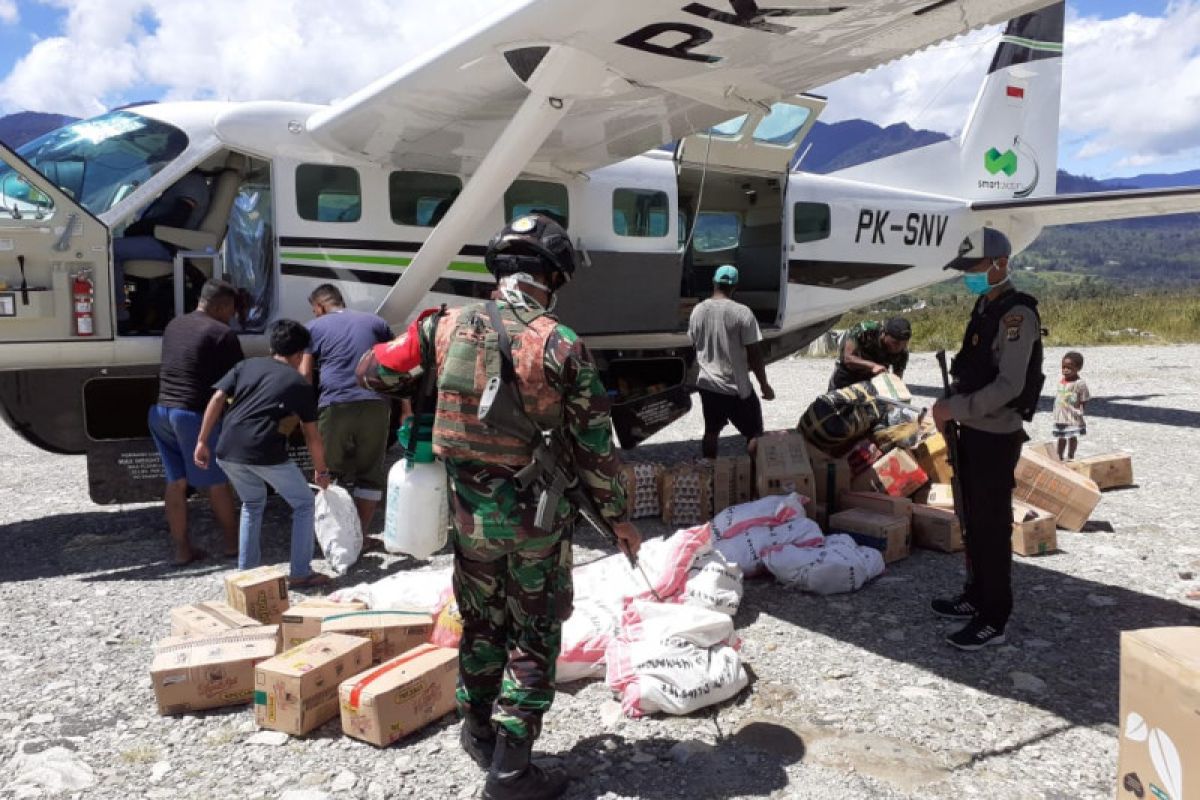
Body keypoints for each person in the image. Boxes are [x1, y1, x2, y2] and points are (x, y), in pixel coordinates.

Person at [364, 214, 640, 800]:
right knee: (533, 633)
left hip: (469, 520)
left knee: (481, 622)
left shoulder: (440, 325)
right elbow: (595, 448)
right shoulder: (560, 343)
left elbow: (374, 371)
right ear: (553, 276)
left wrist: (429, 386)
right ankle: (512, 770)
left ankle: (478, 730)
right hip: (536, 523)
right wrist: (619, 518)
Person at [931, 227, 1044, 651]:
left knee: (992, 526)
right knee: (971, 521)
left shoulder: (1018, 315)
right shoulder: (986, 305)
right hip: (973, 430)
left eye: (974, 267)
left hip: (996, 434)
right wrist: (950, 403)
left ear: (1000, 264)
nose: (970, 276)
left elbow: (1009, 386)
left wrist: (953, 409)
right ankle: (976, 595)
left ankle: (994, 617)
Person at [194, 319, 332, 589]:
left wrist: (202, 441)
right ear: (298, 354)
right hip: (263, 450)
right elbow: (312, 436)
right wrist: (322, 471)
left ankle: (246, 574)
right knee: (304, 503)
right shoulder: (299, 384)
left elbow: (218, 398)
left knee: (253, 504)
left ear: (272, 346)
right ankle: (300, 572)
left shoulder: (246, 365)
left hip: (226, 449)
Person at [147, 278, 243, 565]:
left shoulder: (174, 325)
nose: (232, 317)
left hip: (160, 411)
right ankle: (233, 545)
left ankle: (182, 550)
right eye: (231, 310)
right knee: (216, 482)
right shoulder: (221, 333)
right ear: (222, 305)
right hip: (192, 415)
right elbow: (238, 381)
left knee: (176, 482)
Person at [299, 284, 394, 532]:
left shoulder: (312, 327)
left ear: (319, 307)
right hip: (377, 403)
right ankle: (359, 536)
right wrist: (405, 409)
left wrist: (303, 408)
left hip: (335, 403)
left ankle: (336, 536)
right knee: (370, 473)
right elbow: (395, 366)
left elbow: (305, 372)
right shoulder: (376, 322)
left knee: (326, 471)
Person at [688, 265, 775, 460]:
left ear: (714, 282)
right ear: (735, 286)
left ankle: (709, 474)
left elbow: (694, 344)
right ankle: (755, 477)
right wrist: (764, 385)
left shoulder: (698, 310)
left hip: (708, 385)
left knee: (711, 431)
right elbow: (754, 354)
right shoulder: (742, 313)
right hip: (736, 388)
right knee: (754, 433)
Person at [114, 169, 211, 329]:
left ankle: (119, 315)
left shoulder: (191, 183)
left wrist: (141, 227)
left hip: (169, 243)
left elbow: (176, 220)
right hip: (162, 239)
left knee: (109, 250)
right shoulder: (184, 179)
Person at [828, 317, 911, 391]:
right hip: (848, 372)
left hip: (872, 379)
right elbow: (848, 358)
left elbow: (896, 380)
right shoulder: (865, 330)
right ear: (885, 334)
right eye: (895, 343)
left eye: (904, 343)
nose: (899, 347)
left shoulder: (902, 353)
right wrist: (873, 366)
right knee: (832, 404)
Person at [1053, 351, 1089, 461]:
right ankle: (1059, 456)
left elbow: (1084, 398)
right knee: (1061, 437)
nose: (1065, 370)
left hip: (1072, 416)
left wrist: (1080, 410)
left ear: (1078, 368)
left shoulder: (1080, 383)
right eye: (1063, 367)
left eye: (1069, 367)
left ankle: (1071, 456)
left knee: (1072, 436)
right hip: (1060, 417)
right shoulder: (1061, 381)